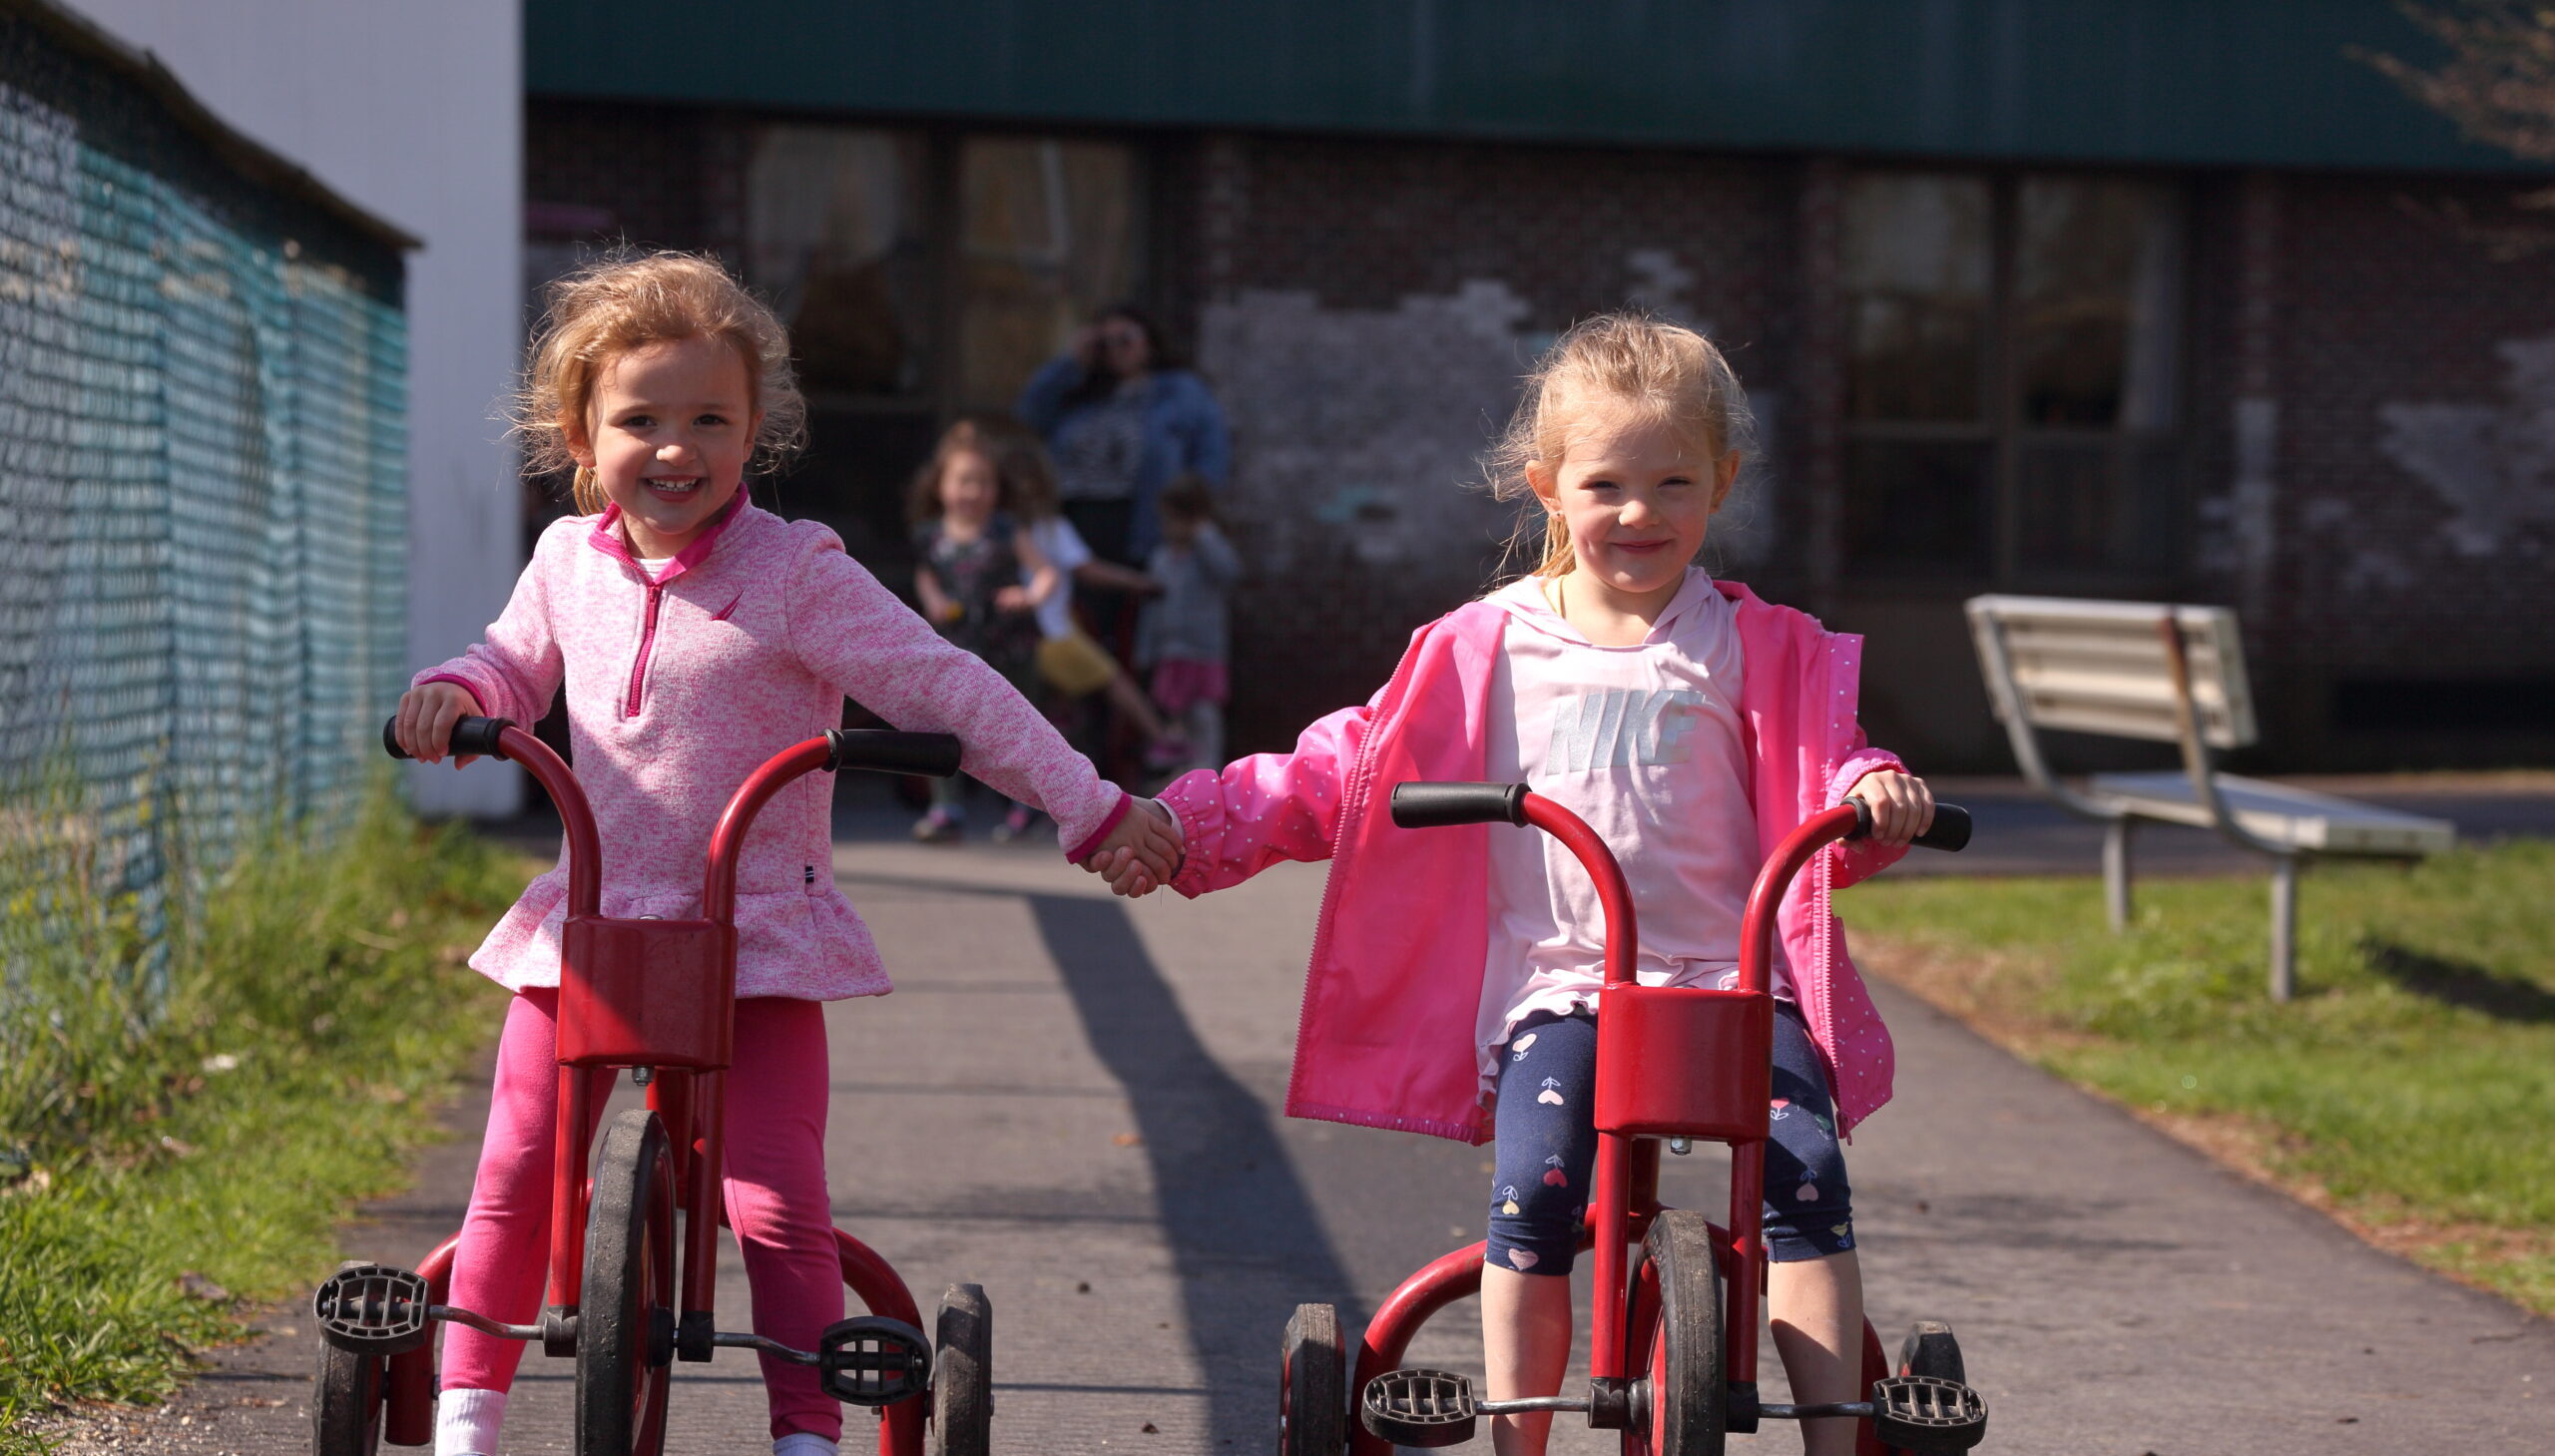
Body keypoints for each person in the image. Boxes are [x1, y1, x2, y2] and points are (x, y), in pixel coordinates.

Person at [1093, 314, 1936, 1456]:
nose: (1638, 512)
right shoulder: (1484, 645)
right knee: (1536, 1190)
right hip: (1563, 988)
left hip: (1733, 986)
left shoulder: (1755, 644)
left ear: (1723, 484)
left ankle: (1837, 1432)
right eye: (1606, 483)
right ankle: (1519, 1432)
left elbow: (1824, 759)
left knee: (1801, 1181)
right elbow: (1348, 768)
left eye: (1674, 480)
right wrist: (1188, 829)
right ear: (1546, 486)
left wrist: (1874, 784)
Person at [392, 251, 1180, 1456]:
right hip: (592, 922)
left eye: (710, 418)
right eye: (639, 419)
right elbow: (510, 661)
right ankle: (466, 1417)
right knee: (519, 1166)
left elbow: (946, 685)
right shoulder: (564, 561)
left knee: (770, 1201)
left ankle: (804, 1431)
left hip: (755, 927)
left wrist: (1088, 804)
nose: (675, 448)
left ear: (755, 428)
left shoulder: (797, 570)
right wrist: (456, 692)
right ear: (578, 430)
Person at [995, 435, 1186, 837]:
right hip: (1053, 636)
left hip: (1016, 640)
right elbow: (1089, 569)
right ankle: (1161, 737)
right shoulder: (1049, 528)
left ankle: (1030, 801)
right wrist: (1140, 582)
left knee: (1043, 718)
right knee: (1112, 678)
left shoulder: (1002, 530)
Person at [907, 420, 1050, 842]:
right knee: (943, 725)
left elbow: (1046, 574)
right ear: (941, 486)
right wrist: (932, 599)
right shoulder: (930, 536)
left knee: (1020, 726)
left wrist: (1030, 595)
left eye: (984, 482)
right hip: (959, 645)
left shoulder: (1005, 529)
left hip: (1010, 646)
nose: (974, 492)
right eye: (964, 480)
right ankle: (946, 807)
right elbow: (926, 575)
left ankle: (1028, 805)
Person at [1015, 302, 1230, 570]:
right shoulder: (1081, 393)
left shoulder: (1179, 391)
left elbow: (1211, 454)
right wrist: (1072, 361)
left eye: (1125, 340)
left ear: (1149, 343)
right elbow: (1029, 413)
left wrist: (1190, 513)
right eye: (1105, 343)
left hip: (1141, 517)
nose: (1115, 351)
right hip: (1077, 512)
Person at [1135, 474, 1239, 773]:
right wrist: (1146, 651)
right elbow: (1151, 608)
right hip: (1170, 653)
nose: (1168, 527)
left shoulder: (1208, 553)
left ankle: (1211, 776)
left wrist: (1203, 532)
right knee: (1174, 721)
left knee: (1205, 720)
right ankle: (1182, 783)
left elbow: (1229, 573)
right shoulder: (1161, 558)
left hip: (1204, 653)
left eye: (1174, 519)